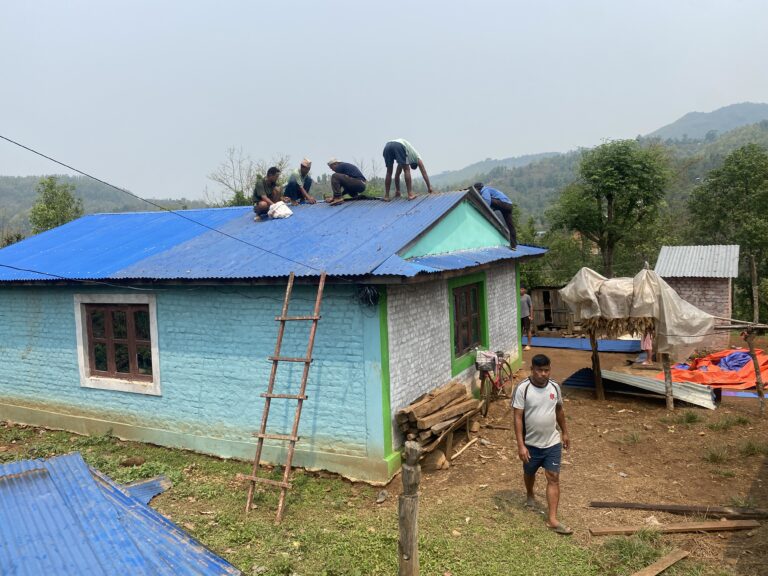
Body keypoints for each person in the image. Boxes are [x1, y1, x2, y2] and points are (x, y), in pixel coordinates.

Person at [512, 354, 572, 535]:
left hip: (552, 442)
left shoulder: (554, 387)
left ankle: (552, 519)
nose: (543, 374)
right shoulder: (523, 388)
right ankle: (530, 493)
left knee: (553, 476)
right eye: (539, 370)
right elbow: (517, 417)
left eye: (546, 370)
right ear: (532, 370)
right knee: (529, 472)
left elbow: (559, 410)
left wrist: (565, 432)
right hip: (531, 444)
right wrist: (521, 445)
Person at [473, 182, 517, 249]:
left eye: (476, 190)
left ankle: (491, 212)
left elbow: (487, 201)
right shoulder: (489, 189)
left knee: (486, 200)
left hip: (503, 204)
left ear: (478, 189)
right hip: (509, 205)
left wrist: (482, 212)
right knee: (510, 226)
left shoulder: (485, 190)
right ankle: (513, 246)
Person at [520, 286, 533, 351]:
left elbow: (531, 306)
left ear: (525, 290)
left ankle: (528, 344)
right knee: (520, 331)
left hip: (526, 315)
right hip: (519, 316)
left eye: (522, 289)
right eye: (520, 289)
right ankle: (519, 344)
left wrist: (531, 316)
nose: (521, 290)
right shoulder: (517, 296)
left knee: (528, 330)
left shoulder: (527, 296)